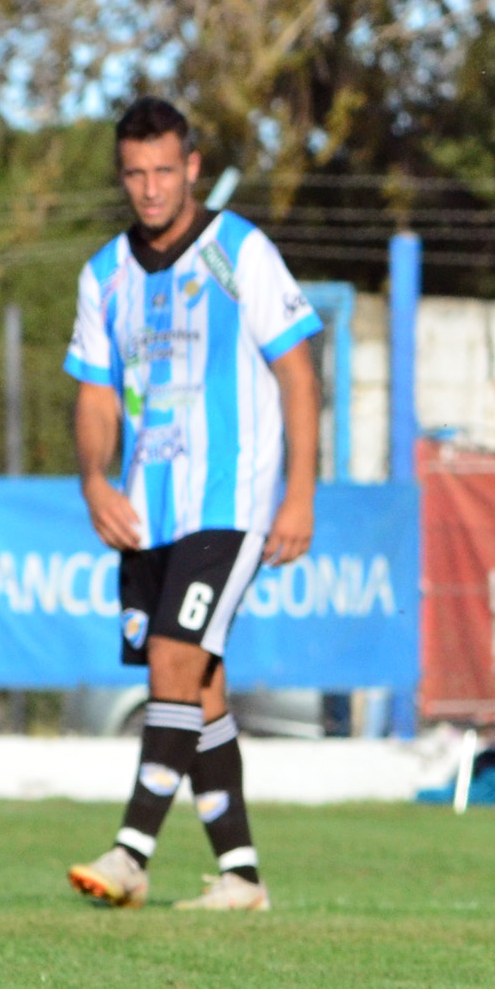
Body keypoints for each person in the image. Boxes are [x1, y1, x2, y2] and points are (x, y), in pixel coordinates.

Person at [64, 97, 322, 913]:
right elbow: (96, 395)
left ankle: (132, 849)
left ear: (193, 168)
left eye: (164, 171)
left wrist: (300, 495)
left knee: (176, 656)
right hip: (148, 507)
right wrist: (95, 480)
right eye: (134, 174)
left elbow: (297, 373)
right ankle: (241, 874)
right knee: (197, 687)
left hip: (231, 497)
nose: (149, 189)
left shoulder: (237, 250)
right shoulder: (103, 274)